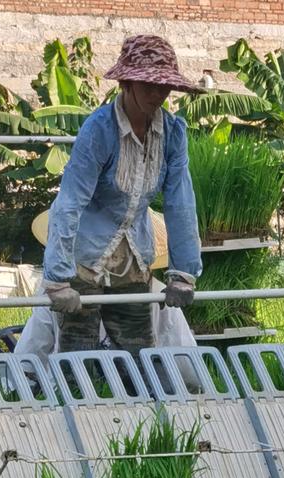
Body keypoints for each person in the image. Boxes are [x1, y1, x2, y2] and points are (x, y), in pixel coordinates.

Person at [42, 34, 203, 353]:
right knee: (79, 352)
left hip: (134, 256)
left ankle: (141, 403)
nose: (157, 95)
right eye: (148, 86)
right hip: (85, 255)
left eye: (164, 87)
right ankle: (77, 400)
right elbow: (71, 201)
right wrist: (58, 277)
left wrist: (184, 272)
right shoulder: (99, 130)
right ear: (127, 83)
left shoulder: (172, 133)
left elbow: (180, 203)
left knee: (138, 351)